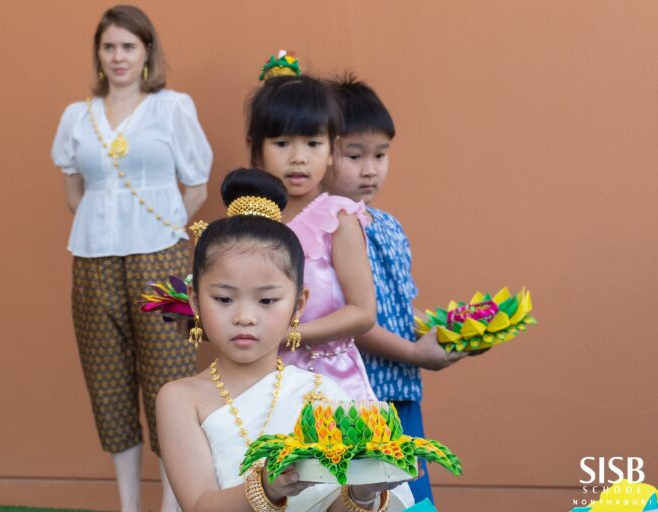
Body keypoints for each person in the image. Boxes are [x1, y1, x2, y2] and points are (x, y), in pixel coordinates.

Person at [156, 168, 414, 511]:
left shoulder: (324, 396)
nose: (244, 316)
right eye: (223, 299)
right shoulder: (181, 398)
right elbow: (199, 504)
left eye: (266, 301)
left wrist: (362, 493)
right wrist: (267, 485)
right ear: (193, 300)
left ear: (299, 304)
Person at [50, 6, 212, 511]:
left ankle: (171, 502)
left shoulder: (172, 108)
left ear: (146, 53)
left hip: (159, 259)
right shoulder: (78, 116)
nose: (118, 56)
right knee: (107, 381)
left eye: (129, 46)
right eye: (109, 46)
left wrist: (160, 231)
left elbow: (198, 186)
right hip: (93, 259)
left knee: (169, 380)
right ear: (98, 54)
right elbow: (74, 192)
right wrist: (108, 225)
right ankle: (127, 504)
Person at [323, 76, 468, 504]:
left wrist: (449, 328)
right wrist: (415, 353)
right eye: (355, 155)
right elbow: (351, 319)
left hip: (401, 390)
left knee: (413, 494)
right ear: (321, 152)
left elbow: (394, 308)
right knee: (367, 497)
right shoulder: (325, 229)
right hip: (357, 397)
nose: (370, 168)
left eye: (381, 155)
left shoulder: (387, 225)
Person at [246, 64, 378, 401]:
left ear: (332, 149)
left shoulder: (338, 218)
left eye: (313, 143)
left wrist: (288, 335)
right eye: (282, 143)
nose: (299, 158)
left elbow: (362, 313)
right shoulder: (249, 219)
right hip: (261, 383)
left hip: (329, 385)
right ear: (256, 148)